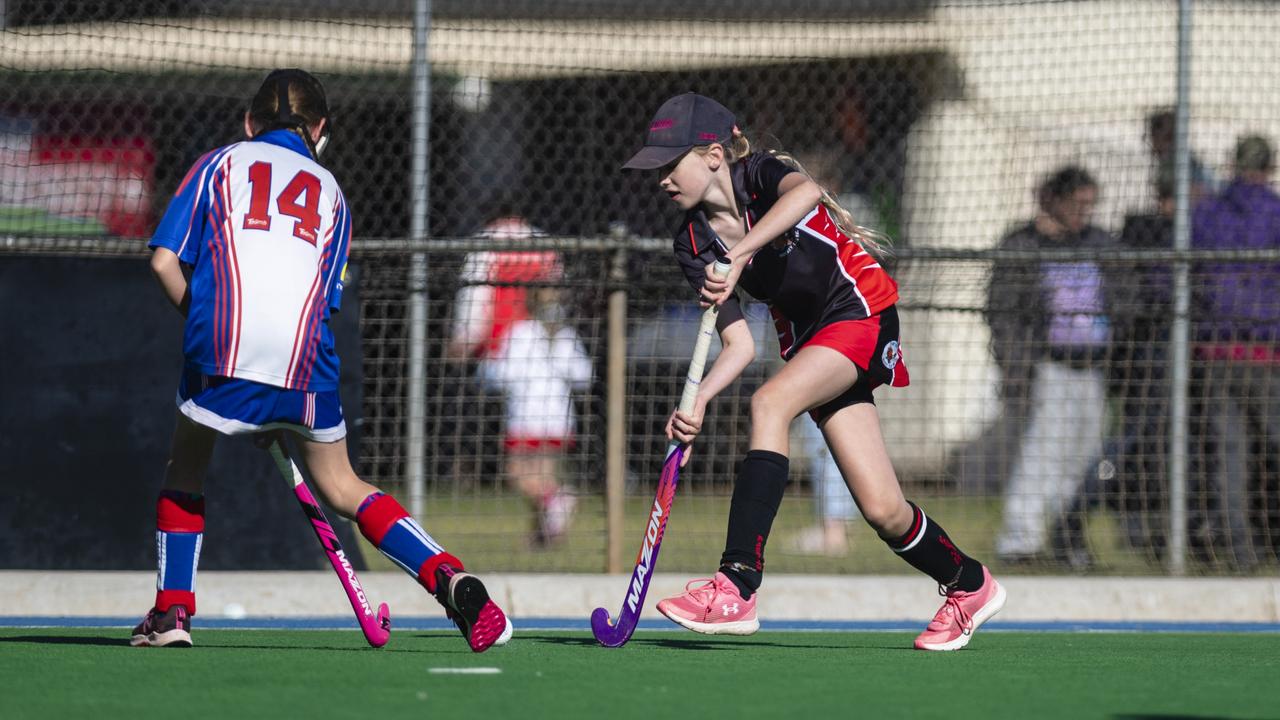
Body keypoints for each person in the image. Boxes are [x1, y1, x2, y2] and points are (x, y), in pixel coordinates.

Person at [133, 69, 509, 651]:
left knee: (185, 470)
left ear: (249, 122)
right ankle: (449, 578)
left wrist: (216, 339)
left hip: (222, 350)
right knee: (343, 485)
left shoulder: (219, 163)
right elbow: (319, 302)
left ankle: (171, 615)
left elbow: (163, 262)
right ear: (320, 129)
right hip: (305, 364)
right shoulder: (333, 193)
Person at [622, 92, 1005, 651]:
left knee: (769, 404)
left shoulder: (760, 174)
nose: (660, 178)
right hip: (811, 342)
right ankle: (969, 584)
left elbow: (807, 192)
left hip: (862, 311)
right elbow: (738, 345)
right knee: (882, 509)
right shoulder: (693, 242)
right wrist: (698, 399)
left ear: (711, 155)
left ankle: (737, 583)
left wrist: (740, 256)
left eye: (668, 162)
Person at [988, 166, 1114, 563]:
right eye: (1076, 203)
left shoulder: (1097, 242)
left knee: (1085, 456)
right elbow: (1003, 311)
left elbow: (1125, 296)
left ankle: (1067, 536)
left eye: (1089, 205)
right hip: (1048, 367)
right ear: (1055, 200)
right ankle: (1019, 540)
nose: (1083, 212)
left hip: (1093, 369)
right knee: (1044, 452)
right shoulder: (1024, 243)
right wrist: (1014, 365)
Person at [446, 214, 589, 545]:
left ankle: (557, 501)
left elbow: (502, 374)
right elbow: (583, 374)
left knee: (518, 473)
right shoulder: (562, 334)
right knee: (543, 473)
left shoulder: (522, 332)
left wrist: (483, 371)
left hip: (527, 414)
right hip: (559, 417)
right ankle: (544, 533)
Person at [1189, 134, 1280, 570]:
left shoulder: (1208, 210)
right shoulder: (1275, 210)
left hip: (1217, 347)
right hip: (1265, 347)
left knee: (1230, 454)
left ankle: (1240, 551)